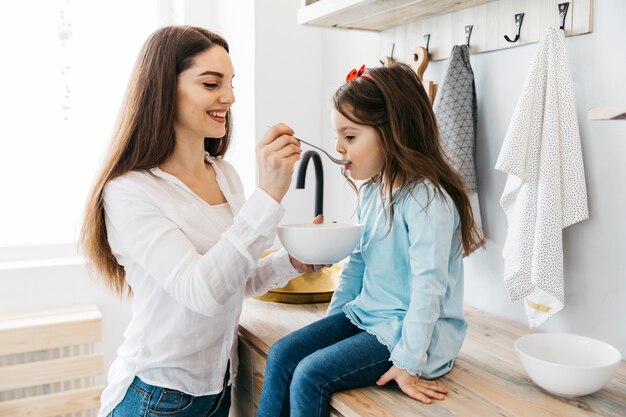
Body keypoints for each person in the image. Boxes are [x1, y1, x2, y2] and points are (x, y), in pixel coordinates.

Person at [80, 25, 325, 417]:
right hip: (156, 397)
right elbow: (201, 291)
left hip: (217, 389)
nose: (228, 98)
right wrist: (268, 196)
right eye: (211, 84)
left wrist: (292, 261)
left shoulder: (224, 174)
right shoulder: (130, 191)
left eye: (230, 83)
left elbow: (233, 281)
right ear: (163, 90)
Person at [256, 62, 485, 417]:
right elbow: (357, 266)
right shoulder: (375, 191)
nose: (339, 147)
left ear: (394, 132)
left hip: (411, 335)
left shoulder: (428, 200)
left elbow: (430, 288)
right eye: (338, 137)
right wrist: (329, 328)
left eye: (350, 137)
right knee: (283, 354)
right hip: (369, 318)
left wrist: (409, 362)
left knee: (309, 376)